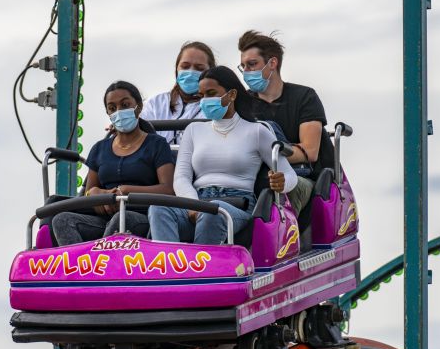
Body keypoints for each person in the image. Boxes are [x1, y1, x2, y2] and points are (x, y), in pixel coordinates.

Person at [148, 66, 297, 245]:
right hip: (197, 201)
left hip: (237, 205)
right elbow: (181, 177)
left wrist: (282, 182)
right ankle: (170, 267)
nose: (205, 101)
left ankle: (202, 270)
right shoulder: (193, 130)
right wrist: (193, 205)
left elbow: (290, 176)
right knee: (158, 208)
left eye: (211, 93)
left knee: (214, 212)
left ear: (232, 95)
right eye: (201, 95)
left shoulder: (257, 131)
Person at [51, 81, 174, 246]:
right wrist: (95, 193)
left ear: (138, 107)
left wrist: (126, 192)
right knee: (62, 220)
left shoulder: (157, 144)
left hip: (139, 215)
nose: (119, 111)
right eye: (112, 108)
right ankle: (83, 268)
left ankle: (101, 266)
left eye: (125, 105)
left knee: (121, 219)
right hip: (103, 218)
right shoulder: (99, 149)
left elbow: (168, 189)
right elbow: (89, 193)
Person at [237, 30, 334, 215]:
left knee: (277, 189)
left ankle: (281, 239)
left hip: (299, 176)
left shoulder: (305, 97)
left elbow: (309, 152)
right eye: (243, 67)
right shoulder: (243, 103)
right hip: (251, 175)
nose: (247, 72)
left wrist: (263, 154)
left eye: (252, 64)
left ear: (272, 63)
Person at [139, 41, 216, 144]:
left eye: (199, 68)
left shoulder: (215, 106)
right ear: (176, 69)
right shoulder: (155, 103)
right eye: (185, 66)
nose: (190, 72)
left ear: (211, 72)